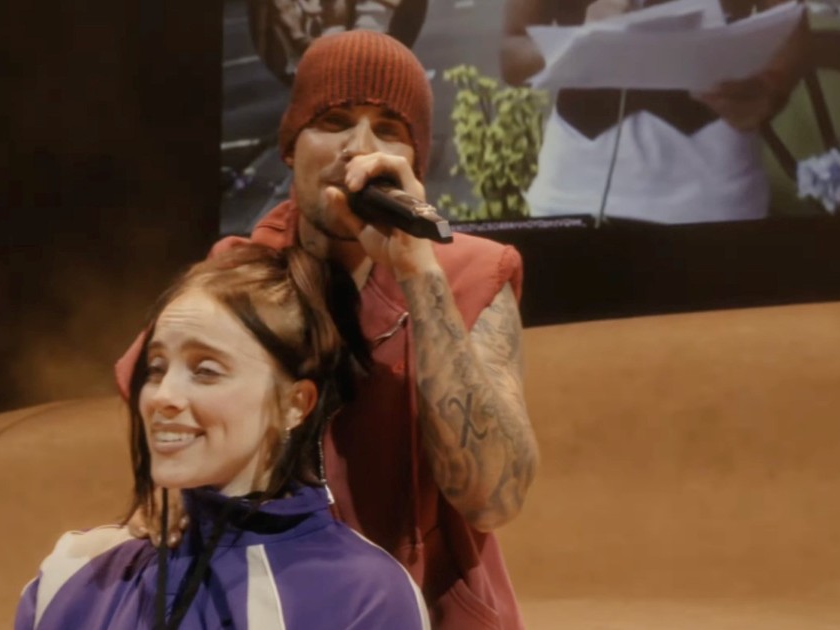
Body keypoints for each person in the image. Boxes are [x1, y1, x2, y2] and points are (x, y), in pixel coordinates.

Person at [118, 30, 539, 630]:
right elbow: (158, 401)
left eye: (389, 129)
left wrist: (418, 272)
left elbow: (493, 498)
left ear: (414, 162)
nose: (359, 148)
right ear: (291, 147)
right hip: (280, 604)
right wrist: (167, 488)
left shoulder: (472, 274)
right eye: (334, 121)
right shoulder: (238, 274)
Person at [15, 244, 431, 629]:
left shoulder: (364, 596)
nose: (162, 396)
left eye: (205, 371)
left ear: (295, 404)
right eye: (156, 368)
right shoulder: (71, 572)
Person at [501, 0, 809, 224]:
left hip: (712, 185)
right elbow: (512, 54)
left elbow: (793, 26)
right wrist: (580, 37)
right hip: (575, 185)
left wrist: (770, 91)